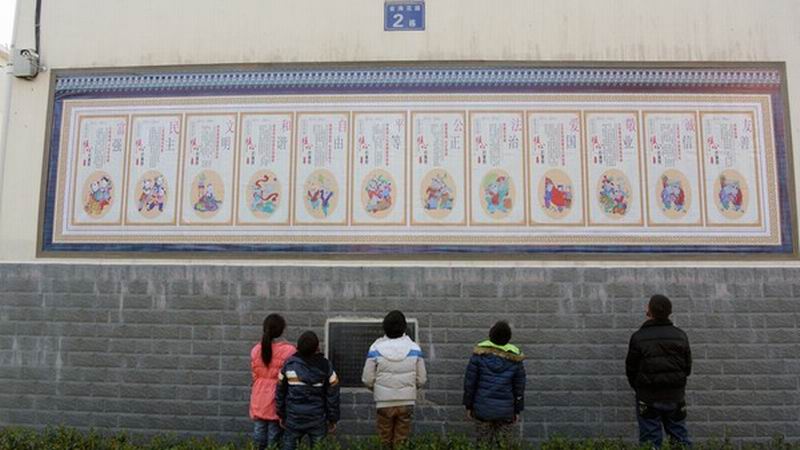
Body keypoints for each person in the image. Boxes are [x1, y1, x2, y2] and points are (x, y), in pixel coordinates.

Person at [626, 294, 692, 448]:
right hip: (675, 397)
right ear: (669, 312)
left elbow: (631, 370)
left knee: (650, 442)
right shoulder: (680, 336)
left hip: (647, 397)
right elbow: (687, 368)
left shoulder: (638, 337)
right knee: (680, 439)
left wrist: (641, 389)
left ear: (649, 311)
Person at [362, 311, 427, 449]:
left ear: (384, 327)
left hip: (383, 403)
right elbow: (422, 379)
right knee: (401, 442)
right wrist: (409, 388)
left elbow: (367, 379)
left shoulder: (375, 348)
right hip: (406, 402)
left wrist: (378, 388)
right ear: (404, 327)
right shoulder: (414, 348)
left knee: (384, 441)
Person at [462, 321, 526, 447]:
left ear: (490, 335)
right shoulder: (516, 359)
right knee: (504, 445)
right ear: (508, 338)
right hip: (506, 412)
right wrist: (517, 410)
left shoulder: (479, 355)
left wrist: (468, 406)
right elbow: (519, 388)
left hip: (482, 410)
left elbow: (470, 383)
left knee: (483, 444)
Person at [277, 331, 340, 450]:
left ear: (298, 346)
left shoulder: (289, 365)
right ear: (317, 348)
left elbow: (280, 391)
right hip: (317, 419)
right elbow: (333, 395)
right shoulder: (326, 366)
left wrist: (281, 414)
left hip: (293, 418)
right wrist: (332, 418)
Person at [250, 314, 296, 450]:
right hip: (277, 395)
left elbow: (254, 374)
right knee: (274, 433)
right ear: (281, 330)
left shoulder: (256, 350)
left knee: (259, 431)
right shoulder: (289, 351)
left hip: (258, 395)